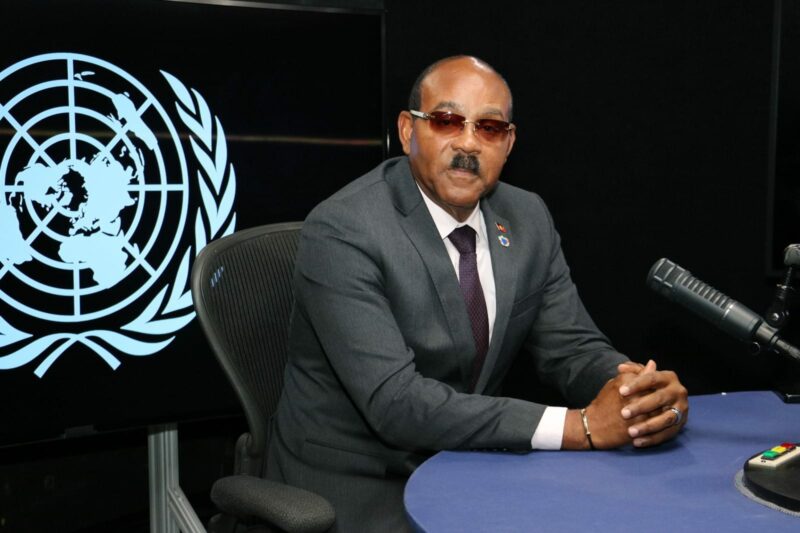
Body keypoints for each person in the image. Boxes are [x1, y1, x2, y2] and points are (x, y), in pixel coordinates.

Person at [267, 55, 689, 532]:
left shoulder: (527, 217)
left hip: (474, 469)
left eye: (489, 128)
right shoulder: (345, 228)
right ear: (407, 131)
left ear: (508, 143)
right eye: (447, 121)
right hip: (362, 487)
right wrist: (580, 427)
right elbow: (396, 403)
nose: (468, 143)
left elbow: (572, 347)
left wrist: (636, 397)